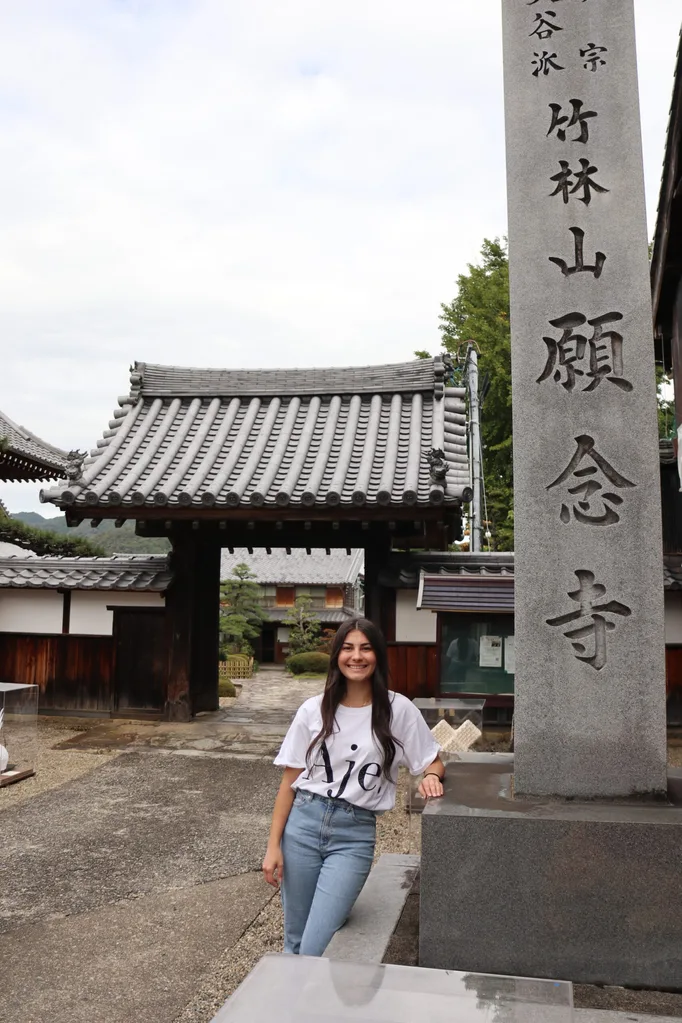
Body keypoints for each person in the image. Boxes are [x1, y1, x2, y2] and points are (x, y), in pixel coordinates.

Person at [262, 617, 445, 957]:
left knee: (317, 945)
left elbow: (432, 760)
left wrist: (431, 776)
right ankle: (294, 1008)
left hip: (354, 834)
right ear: (337, 656)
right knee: (295, 940)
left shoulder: (398, 710)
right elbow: (289, 782)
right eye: (347, 648)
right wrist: (273, 846)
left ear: (378, 656)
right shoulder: (312, 710)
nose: (356, 657)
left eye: (365, 648)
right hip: (301, 825)